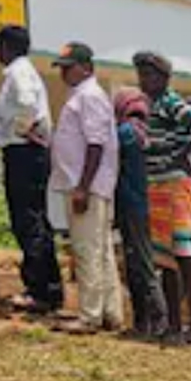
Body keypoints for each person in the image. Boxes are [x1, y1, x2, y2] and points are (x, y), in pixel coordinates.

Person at [48, 42, 121, 334]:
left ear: (86, 67)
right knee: (100, 250)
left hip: (87, 185)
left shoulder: (89, 96)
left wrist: (82, 186)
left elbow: (95, 143)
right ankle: (109, 311)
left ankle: (90, 315)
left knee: (87, 249)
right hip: (88, 184)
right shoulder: (82, 95)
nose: (64, 73)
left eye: (69, 67)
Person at [138, 52, 191, 343]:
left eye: (150, 74)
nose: (144, 80)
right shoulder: (151, 105)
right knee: (165, 259)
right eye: (141, 74)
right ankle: (175, 326)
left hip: (175, 184)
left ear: (164, 77)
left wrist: (183, 153)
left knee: (184, 254)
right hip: (156, 184)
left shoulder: (170, 102)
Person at [0, 26, 58, 312]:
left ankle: (38, 289)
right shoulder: (26, 71)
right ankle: (50, 285)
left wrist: (24, 132)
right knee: (37, 219)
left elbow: (28, 105)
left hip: (23, 152)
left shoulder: (18, 73)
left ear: (7, 46)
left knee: (27, 220)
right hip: (29, 151)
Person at [115, 88, 166, 339]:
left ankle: (150, 320)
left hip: (131, 203)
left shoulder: (125, 133)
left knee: (139, 263)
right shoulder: (149, 133)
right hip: (152, 204)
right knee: (148, 260)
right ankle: (151, 320)